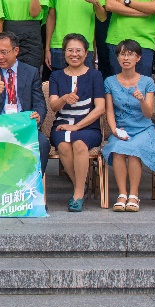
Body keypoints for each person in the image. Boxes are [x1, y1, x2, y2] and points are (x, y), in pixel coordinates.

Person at [102, 39, 155, 212]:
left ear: (138, 58)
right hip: (121, 128)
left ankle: (134, 195)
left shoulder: (147, 82)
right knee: (117, 148)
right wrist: (114, 130)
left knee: (135, 148)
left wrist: (142, 99)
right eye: (122, 54)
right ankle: (122, 194)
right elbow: (109, 111)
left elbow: (148, 113)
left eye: (130, 54)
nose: (126, 57)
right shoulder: (109, 81)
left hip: (143, 129)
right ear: (117, 58)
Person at [48, 33, 106, 212]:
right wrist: (64, 98)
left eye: (79, 50)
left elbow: (100, 108)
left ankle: (78, 193)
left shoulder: (95, 75)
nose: (74, 54)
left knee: (80, 143)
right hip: (62, 123)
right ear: (64, 53)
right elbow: (54, 106)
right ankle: (79, 185)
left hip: (88, 126)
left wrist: (77, 126)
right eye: (70, 50)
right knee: (64, 145)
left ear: (86, 53)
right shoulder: (56, 76)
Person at [0, 32, 49, 174]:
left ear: (16, 51)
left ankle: (32, 185)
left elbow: (39, 102)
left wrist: (38, 115)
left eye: (4, 52)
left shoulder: (31, 72)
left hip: (23, 126)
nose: (0, 57)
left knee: (42, 143)